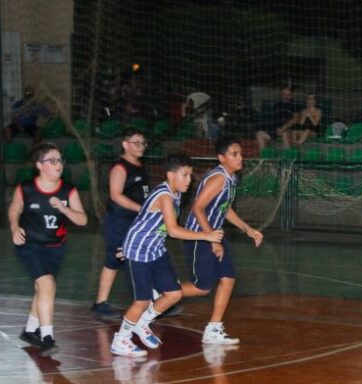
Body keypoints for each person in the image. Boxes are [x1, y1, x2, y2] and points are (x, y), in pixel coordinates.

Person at [110, 153, 223, 357]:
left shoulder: (176, 192)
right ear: (171, 175)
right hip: (139, 250)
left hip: (155, 248)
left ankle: (142, 323)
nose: (189, 180)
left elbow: (148, 220)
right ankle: (121, 339)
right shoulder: (165, 195)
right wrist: (207, 235)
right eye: (185, 175)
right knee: (142, 301)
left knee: (174, 294)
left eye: (190, 175)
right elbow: (172, 230)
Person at [181, 136, 264, 344]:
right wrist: (212, 240)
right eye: (234, 154)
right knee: (202, 287)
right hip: (199, 236)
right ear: (221, 158)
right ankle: (163, 292)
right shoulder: (218, 178)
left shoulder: (231, 178)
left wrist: (248, 229)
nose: (240, 158)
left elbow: (224, 209)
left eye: (240, 153)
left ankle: (214, 328)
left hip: (214, 233)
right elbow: (197, 208)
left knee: (228, 278)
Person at [9, 143, 88, 353]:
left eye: (60, 160)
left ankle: (29, 330)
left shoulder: (68, 190)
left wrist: (64, 208)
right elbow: (15, 209)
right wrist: (14, 226)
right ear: (39, 165)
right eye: (52, 160)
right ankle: (47, 338)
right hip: (29, 244)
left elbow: (82, 220)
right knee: (47, 284)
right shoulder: (26, 188)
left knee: (44, 288)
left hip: (56, 248)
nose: (58, 164)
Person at [91, 128, 151, 320]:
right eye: (136, 142)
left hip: (134, 222)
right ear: (125, 145)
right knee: (116, 259)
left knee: (132, 259)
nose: (140, 146)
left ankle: (147, 300)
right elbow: (116, 195)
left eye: (143, 143)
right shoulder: (120, 167)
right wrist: (142, 209)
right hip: (119, 221)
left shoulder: (140, 166)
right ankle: (101, 303)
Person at [254, 86, 301, 151]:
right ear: (281, 95)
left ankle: (287, 159)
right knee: (259, 134)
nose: (286, 97)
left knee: (284, 134)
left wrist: (283, 128)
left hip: (288, 129)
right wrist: (275, 129)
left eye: (288, 95)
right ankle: (264, 159)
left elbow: (296, 119)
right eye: (284, 94)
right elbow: (274, 120)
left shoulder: (294, 104)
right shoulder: (277, 105)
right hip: (276, 130)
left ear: (291, 95)